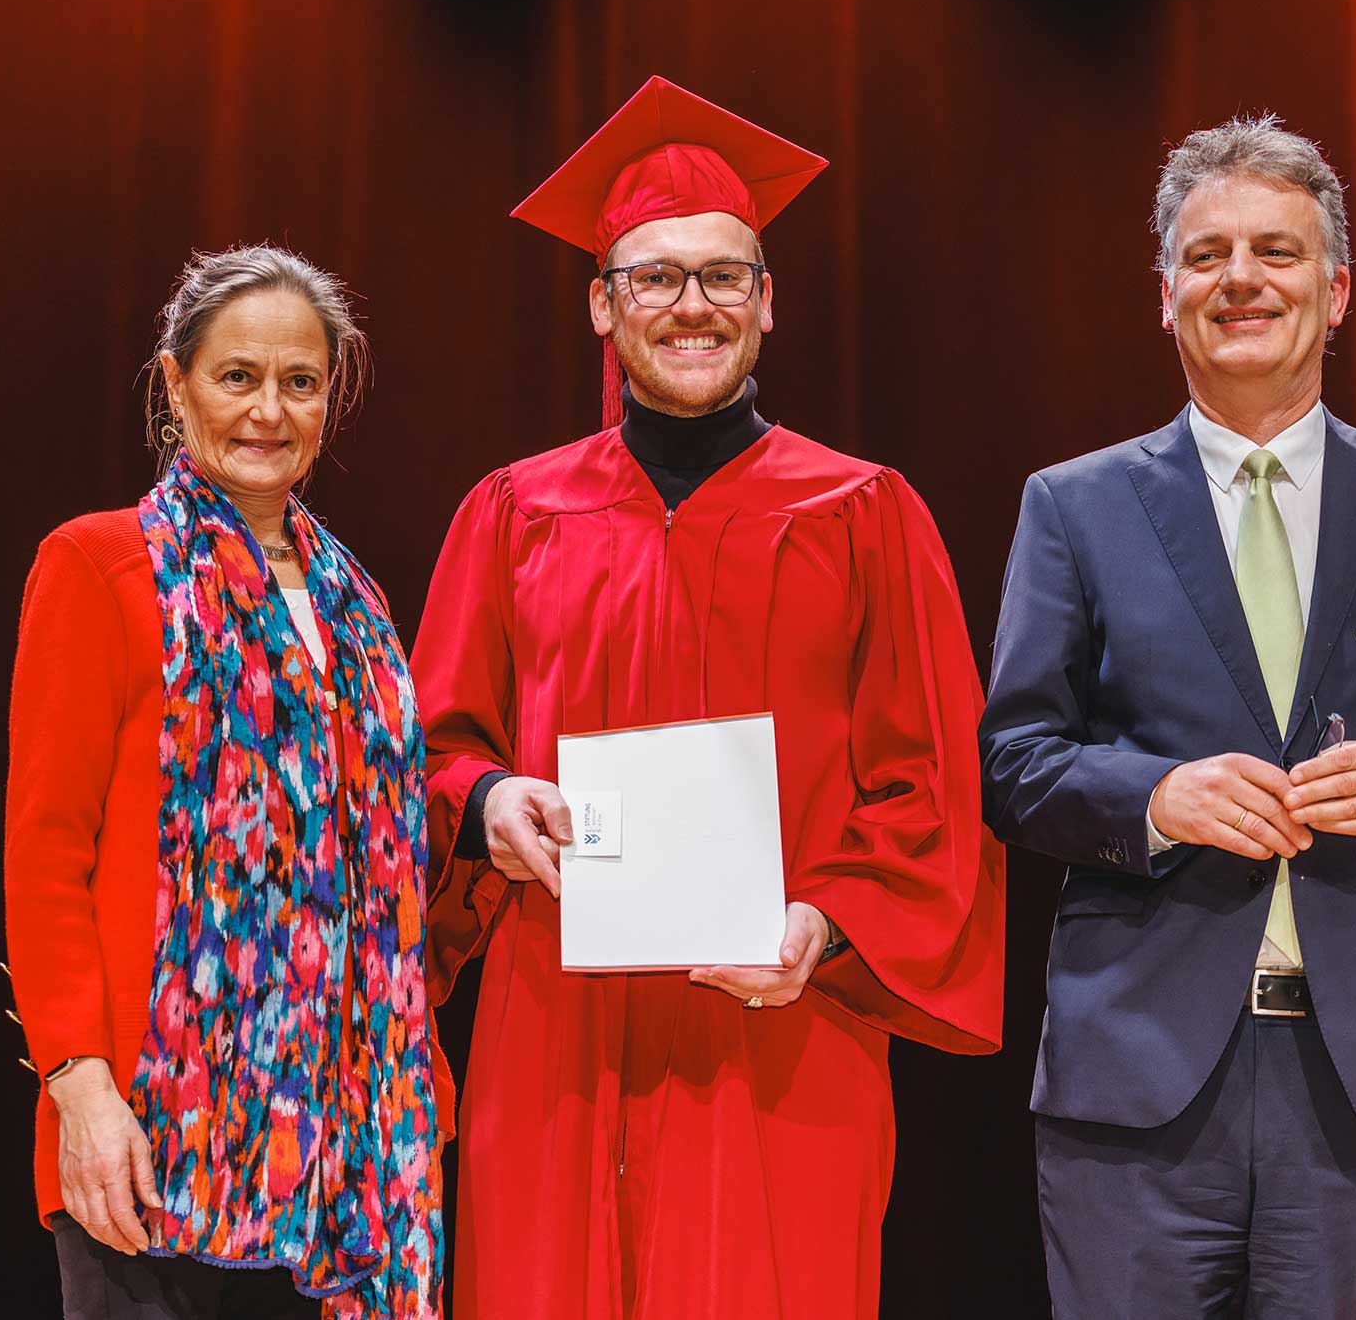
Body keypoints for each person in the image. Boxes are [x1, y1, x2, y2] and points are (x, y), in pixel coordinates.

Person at [411, 76, 1005, 1319]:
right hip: (556, 1018)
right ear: (600, 305)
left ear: (766, 300)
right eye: (655, 276)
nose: (692, 304)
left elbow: (933, 784)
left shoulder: (865, 516)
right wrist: (487, 801)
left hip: (779, 1027)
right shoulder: (512, 511)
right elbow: (429, 747)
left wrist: (824, 922)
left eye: (723, 275)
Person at [979, 115, 1356, 1317]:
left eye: (1276, 252)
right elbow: (1012, 761)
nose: (1239, 279)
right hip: (1133, 1087)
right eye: (1205, 256)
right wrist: (1150, 797)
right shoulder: (1073, 506)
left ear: (1336, 288)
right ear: (1163, 295)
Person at [4, 245, 443, 1318]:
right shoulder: (99, 565)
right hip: (155, 1138)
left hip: (352, 1148)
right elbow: (46, 849)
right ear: (174, 384)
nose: (267, 410)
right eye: (235, 376)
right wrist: (79, 1087)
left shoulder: (359, 604)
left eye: (298, 381)